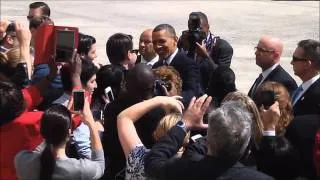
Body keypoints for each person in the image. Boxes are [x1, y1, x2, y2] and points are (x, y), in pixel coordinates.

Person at [145, 99, 273, 180]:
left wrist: (185, 123)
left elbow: (153, 162)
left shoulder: (182, 171)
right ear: (246, 145)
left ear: (208, 139)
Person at [102, 63, 165, 180]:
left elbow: (108, 144)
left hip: (119, 169)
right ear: (152, 88)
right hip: (145, 170)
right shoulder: (158, 112)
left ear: (126, 85)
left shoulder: (112, 108)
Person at [14, 102, 105, 179]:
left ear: (42, 131)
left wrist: (58, 119)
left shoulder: (21, 159)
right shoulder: (80, 169)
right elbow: (100, 165)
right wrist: (91, 123)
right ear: (69, 133)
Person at [117, 96, 190, 179]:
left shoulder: (139, 159)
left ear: (155, 135)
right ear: (186, 140)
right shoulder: (192, 169)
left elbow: (124, 118)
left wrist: (159, 100)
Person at [152, 24, 200, 106]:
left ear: (175, 40)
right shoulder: (156, 66)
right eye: (154, 42)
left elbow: (193, 93)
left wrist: (172, 98)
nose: (157, 46)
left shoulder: (188, 64)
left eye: (162, 41)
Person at [290, 39, 320, 116]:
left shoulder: (317, 94)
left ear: (307, 64)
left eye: (295, 59)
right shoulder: (302, 88)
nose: (291, 62)